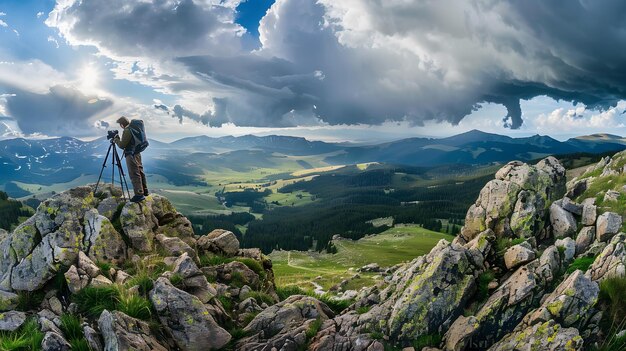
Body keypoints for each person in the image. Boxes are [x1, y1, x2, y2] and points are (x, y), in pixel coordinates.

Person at [114, 116, 148, 202]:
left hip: (131, 155)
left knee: (134, 173)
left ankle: (139, 195)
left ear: (122, 124)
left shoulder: (127, 130)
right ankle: (145, 191)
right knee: (140, 171)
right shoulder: (135, 128)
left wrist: (116, 139)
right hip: (137, 153)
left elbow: (122, 145)